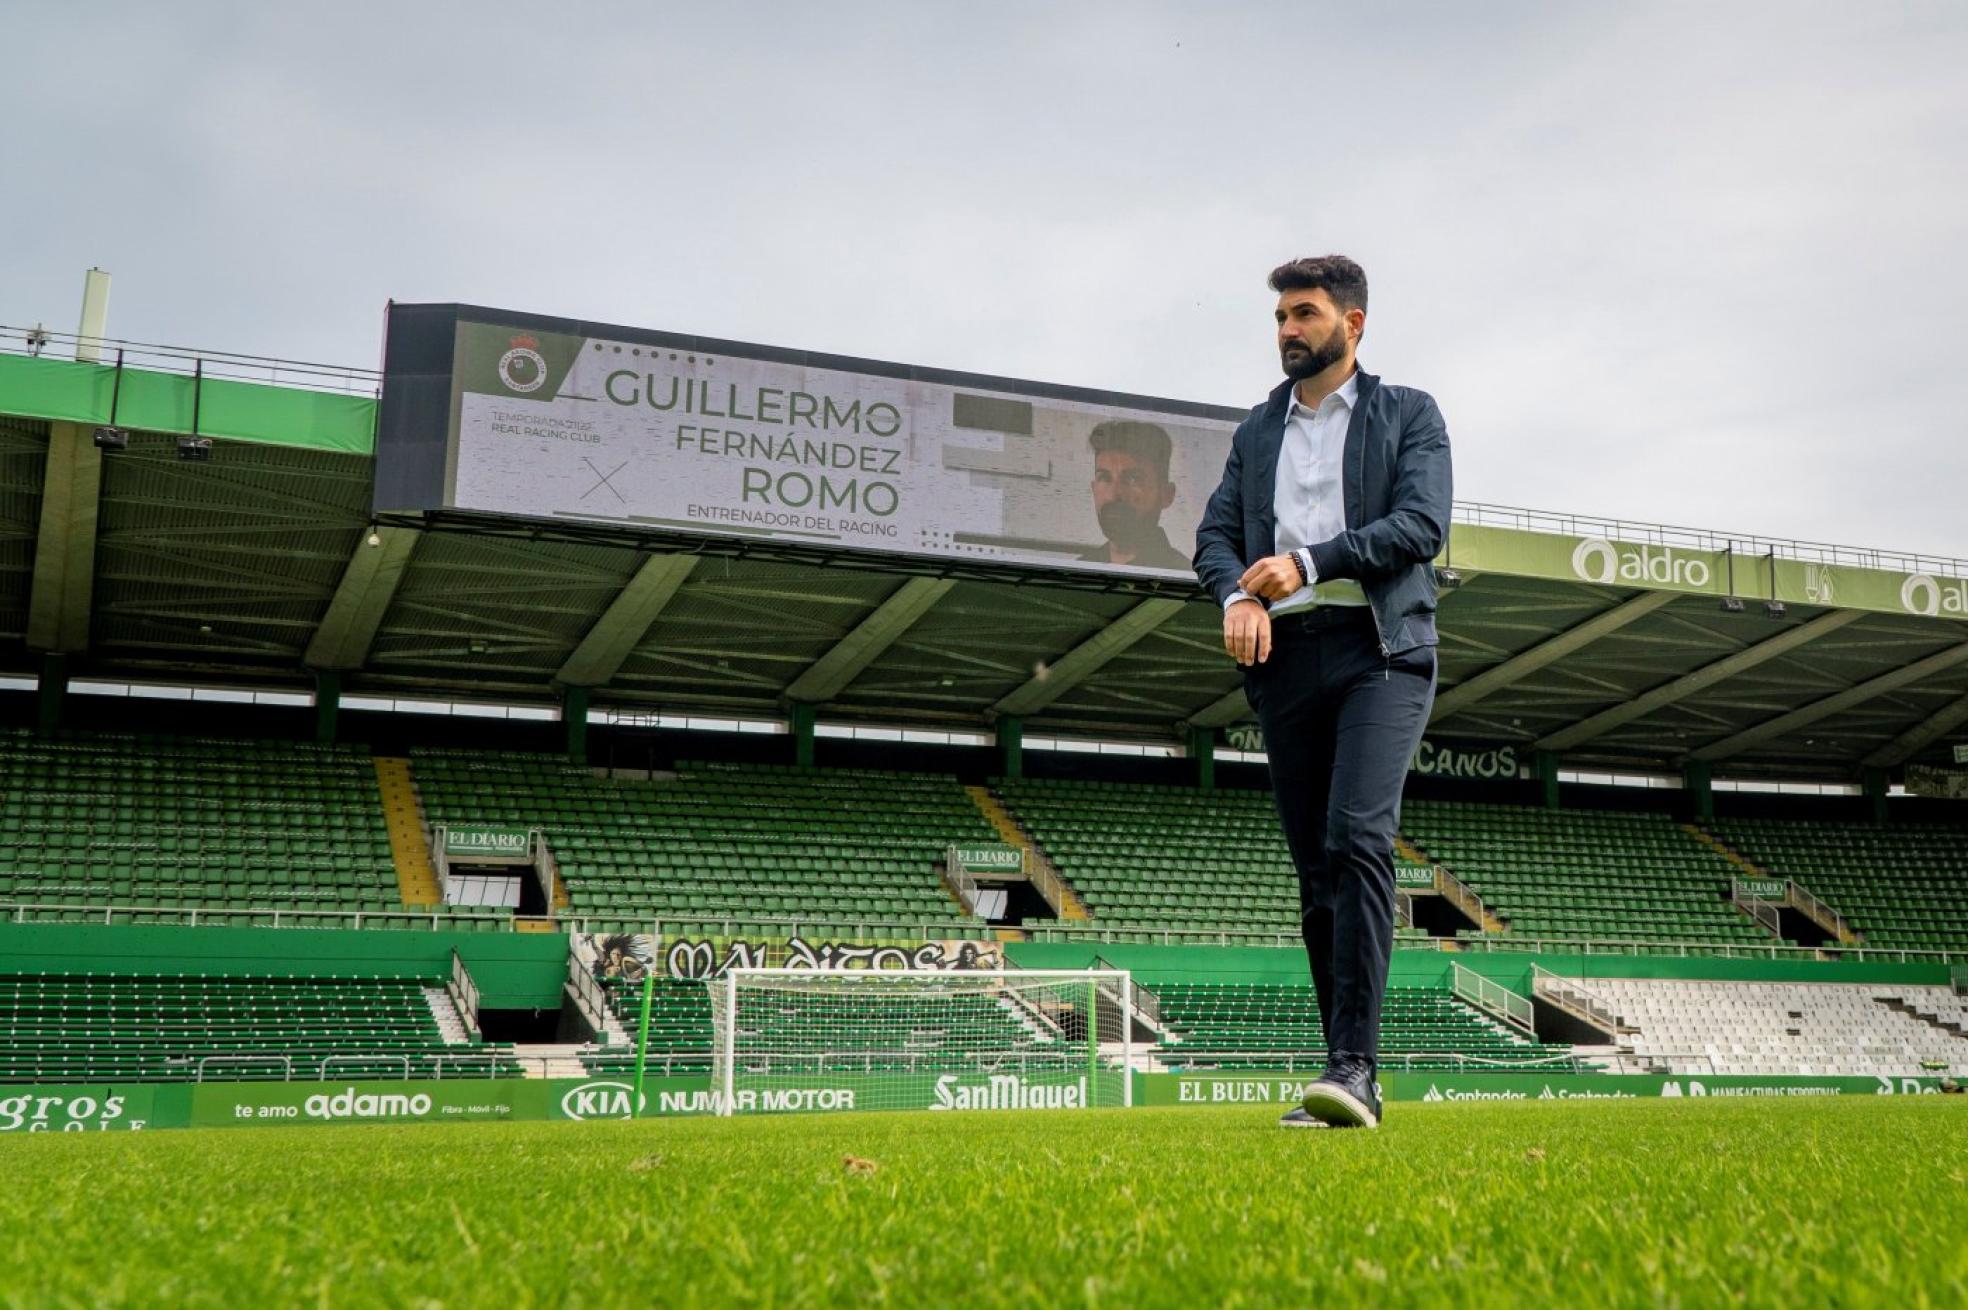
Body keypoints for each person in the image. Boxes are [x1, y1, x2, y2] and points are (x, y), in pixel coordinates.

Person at [1192, 255, 1452, 1129]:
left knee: (1356, 839)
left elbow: (1421, 527)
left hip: (1381, 651)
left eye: (1304, 314)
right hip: (1287, 663)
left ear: (1354, 321)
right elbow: (1215, 536)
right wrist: (1236, 594)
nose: (1287, 330)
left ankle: (1356, 1070)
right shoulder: (1256, 431)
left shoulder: (1408, 413)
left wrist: (1306, 563)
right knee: (1315, 875)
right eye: (1279, 318)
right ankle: (1338, 1069)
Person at [1080, 419, 1190, 570]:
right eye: (1105, 478)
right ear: (1094, 489)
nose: (1114, 495)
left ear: (1166, 494)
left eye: (1133, 479)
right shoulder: (1079, 569)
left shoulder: (1188, 575)